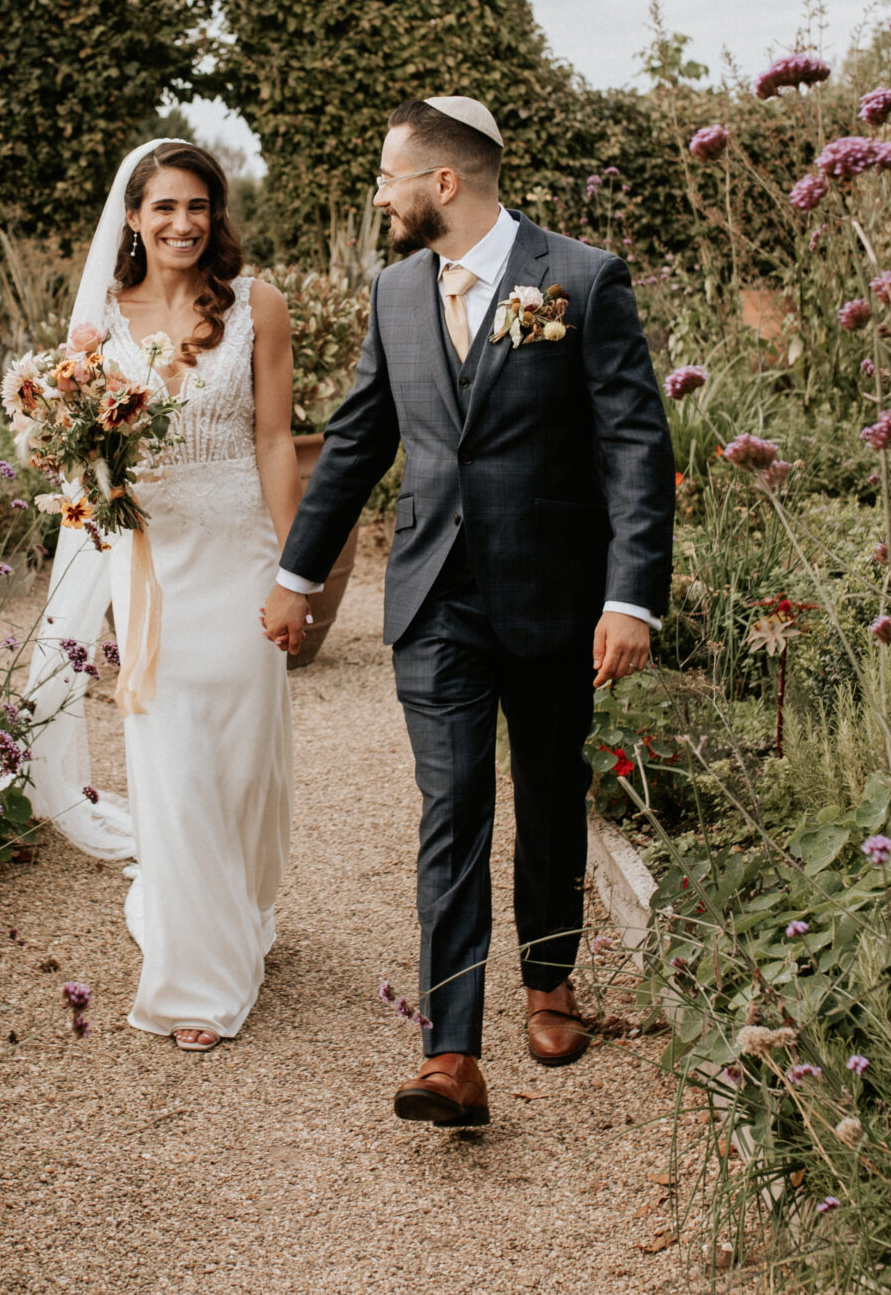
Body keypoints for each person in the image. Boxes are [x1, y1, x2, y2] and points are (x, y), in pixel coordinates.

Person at [261, 96, 674, 1127]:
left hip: (555, 591)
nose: (378, 194)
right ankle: (450, 1052)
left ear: (442, 183)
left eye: (388, 176)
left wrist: (631, 597)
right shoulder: (394, 293)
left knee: (544, 789)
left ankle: (548, 981)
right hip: (434, 592)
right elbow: (358, 440)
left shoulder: (581, 279)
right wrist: (296, 577)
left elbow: (634, 445)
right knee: (452, 809)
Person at [19, 139, 298, 1051]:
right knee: (172, 761)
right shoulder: (100, 324)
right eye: (164, 207)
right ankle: (193, 979)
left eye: (198, 206)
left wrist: (297, 570)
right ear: (133, 218)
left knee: (244, 762)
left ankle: (241, 913)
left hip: (243, 554)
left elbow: (273, 444)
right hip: (153, 564)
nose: (183, 222)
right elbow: (76, 457)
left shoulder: (259, 306)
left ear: (216, 215)